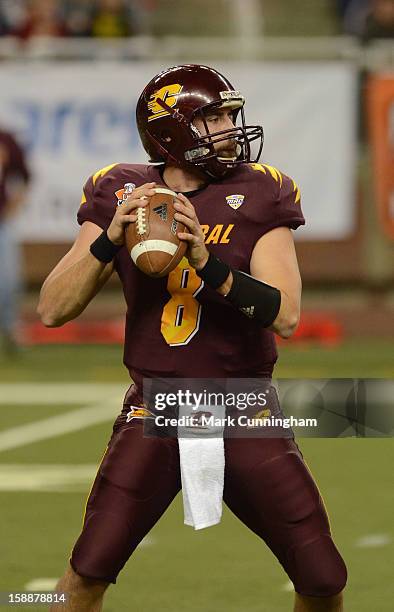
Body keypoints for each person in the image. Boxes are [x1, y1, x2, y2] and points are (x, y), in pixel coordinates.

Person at [38, 64, 347, 612]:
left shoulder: (260, 192)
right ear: (174, 129)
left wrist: (210, 267)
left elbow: (287, 316)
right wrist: (110, 238)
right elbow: (52, 309)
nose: (232, 128)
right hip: (156, 409)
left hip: (242, 406)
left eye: (231, 115)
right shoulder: (122, 191)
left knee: (322, 578)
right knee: (86, 573)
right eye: (216, 118)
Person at [0, 128, 30, 354]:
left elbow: (23, 176)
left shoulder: (5, 139)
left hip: (2, 222)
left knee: (8, 281)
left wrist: (15, 205)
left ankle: (11, 330)